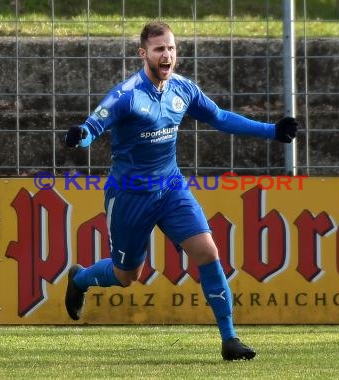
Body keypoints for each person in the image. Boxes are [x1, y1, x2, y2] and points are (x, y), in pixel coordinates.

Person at [64, 21, 297, 361]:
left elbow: (218, 117)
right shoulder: (127, 95)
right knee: (126, 276)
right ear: (144, 54)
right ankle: (81, 278)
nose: (167, 55)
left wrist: (272, 131)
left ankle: (230, 340)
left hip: (171, 188)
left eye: (171, 48)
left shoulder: (183, 89)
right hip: (130, 195)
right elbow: (93, 125)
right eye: (159, 49)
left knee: (208, 252)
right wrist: (80, 136)